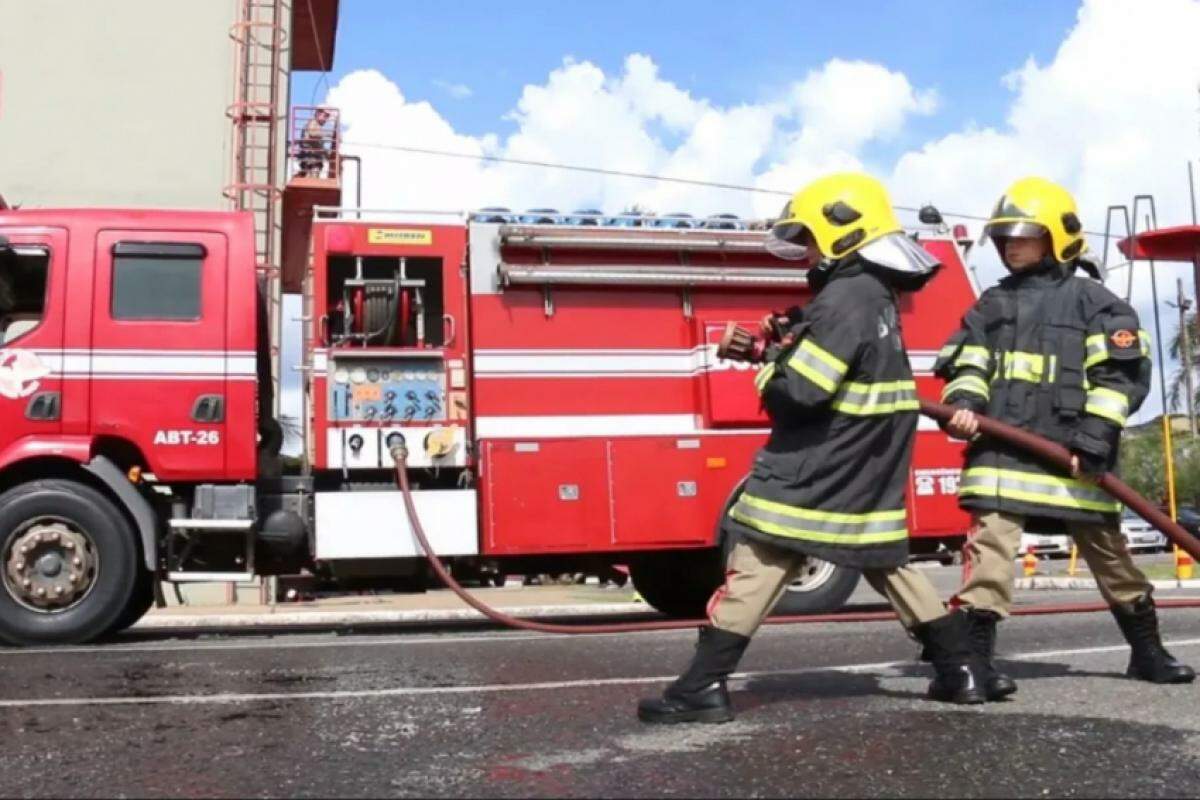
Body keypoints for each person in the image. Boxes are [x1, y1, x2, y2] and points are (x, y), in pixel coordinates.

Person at [638, 173, 992, 725]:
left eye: (809, 238)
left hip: (819, 463)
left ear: (842, 232)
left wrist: (765, 372)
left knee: (758, 555)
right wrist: (781, 342)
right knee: (886, 563)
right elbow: (837, 372)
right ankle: (961, 670)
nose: (804, 250)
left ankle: (700, 686)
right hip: (863, 463)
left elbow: (799, 392)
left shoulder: (844, 297)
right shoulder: (872, 295)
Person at [935, 176, 1196, 695]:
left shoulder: (1097, 305)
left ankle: (1147, 652)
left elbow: (1120, 380)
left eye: (1023, 235)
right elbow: (967, 362)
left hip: (1077, 457)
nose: (1010, 246)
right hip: (1002, 455)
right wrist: (964, 404)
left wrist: (1093, 441)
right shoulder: (991, 304)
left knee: (1111, 557)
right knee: (990, 553)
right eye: (1004, 237)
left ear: (1058, 236)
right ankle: (976, 664)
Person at [298, 108, 332, 178]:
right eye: (325, 116)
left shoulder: (317, 126)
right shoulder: (313, 123)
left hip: (313, 160)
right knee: (311, 180)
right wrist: (329, 134)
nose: (326, 119)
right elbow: (312, 133)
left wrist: (327, 155)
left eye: (327, 117)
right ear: (318, 113)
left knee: (313, 178)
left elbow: (318, 146)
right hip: (311, 160)